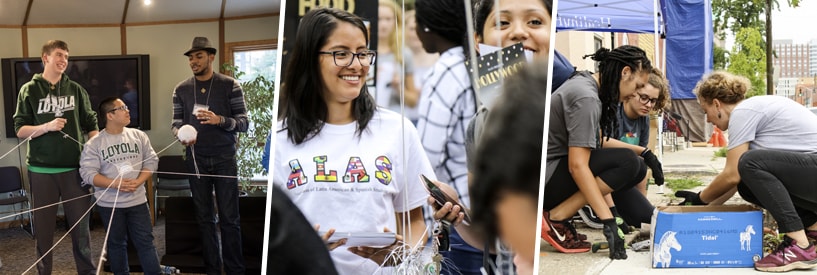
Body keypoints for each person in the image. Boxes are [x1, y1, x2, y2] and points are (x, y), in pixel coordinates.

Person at [273, 8, 432, 274]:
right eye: (342, 53)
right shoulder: (281, 138)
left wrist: (402, 255)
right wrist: (303, 249)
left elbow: (415, 221)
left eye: (362, 52)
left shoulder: (398, 130)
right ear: (311, 59)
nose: (356, 64)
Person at [674, 71, 817, 272]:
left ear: (717, 104)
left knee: (749, 162)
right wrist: (697, 213)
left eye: (705, 111)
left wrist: (700, 198)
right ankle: (812, 232)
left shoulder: (744, 112)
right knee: (747, 185)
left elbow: (732, 173)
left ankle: (799, 245)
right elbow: (735, 180)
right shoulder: (751, 111)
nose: (707, 120)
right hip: (810, 175)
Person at [544, 45, 658, 260]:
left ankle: (561, 214)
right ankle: (557, 217)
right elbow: (577, 166)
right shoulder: (586, 98)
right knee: (627, 162)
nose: (636, 92)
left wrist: (645, 152)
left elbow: (595, 143)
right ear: (625, 73)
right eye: (638, 85)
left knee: (637, 168)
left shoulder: (588, 83)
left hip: (550, 172)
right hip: (543, 181)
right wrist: (608, 221)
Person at [13, 39, 98, 275]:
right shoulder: (29, 90)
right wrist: (47, 126)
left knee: (81, 231)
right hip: (41, 173)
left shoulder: (76, 90)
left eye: (67, 57)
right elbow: (20, 130)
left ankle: (87, 272)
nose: (63, 60)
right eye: (59, 55)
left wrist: (93, 147)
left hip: (74, 171)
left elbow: (91, 123)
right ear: (45, 58)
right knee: (43, 232)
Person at [171, 36, 249, 274]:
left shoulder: (230, 85)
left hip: (225, 158)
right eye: (191, 58)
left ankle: (235, 269)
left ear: (211, 57)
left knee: (230, 219)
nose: (193, 61)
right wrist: (182, 135)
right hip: (196, 160)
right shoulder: (181, 89)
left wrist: (219, 120)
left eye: (199, 56)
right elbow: (175, 124)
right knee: (204, 219)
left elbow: (244, 123)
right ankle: (213, 269)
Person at [413, 0, 480, 273]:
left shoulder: (446, 73)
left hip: (462, 220)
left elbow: (425, 160)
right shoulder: (478, 65)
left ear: (428, 27)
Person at [579, 68, 671, 231]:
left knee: (648, 219)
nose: (648, 105)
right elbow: (598, 146)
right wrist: (612, 213)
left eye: (653, 101)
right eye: (644, 98)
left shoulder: (643, 120)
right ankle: (591, 207)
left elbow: (641, 165)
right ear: (631, 93)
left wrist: (642, 202)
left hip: (620, 182)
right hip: (596, 179)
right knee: (628, 158)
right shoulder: (612, 110)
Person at [79, 97, 160, 275]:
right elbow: (87, 174)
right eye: (122, 107)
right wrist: (115, 184)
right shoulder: (95, 143)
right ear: (110, 115)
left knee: (146, 242)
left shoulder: (138, 136)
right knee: (116, 245)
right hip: (110, 205)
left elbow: (152, 161)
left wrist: (139, 181)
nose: (128, 110)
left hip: (138, 202)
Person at [376, 0, 420, 121]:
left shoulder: (404, 54)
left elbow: (413, 101)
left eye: (388, 19)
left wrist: (399, 88)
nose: (383, 24)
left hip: (395, 118)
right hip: (368, 117)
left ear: (396, 21)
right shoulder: (363, 52)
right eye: (379, 19)